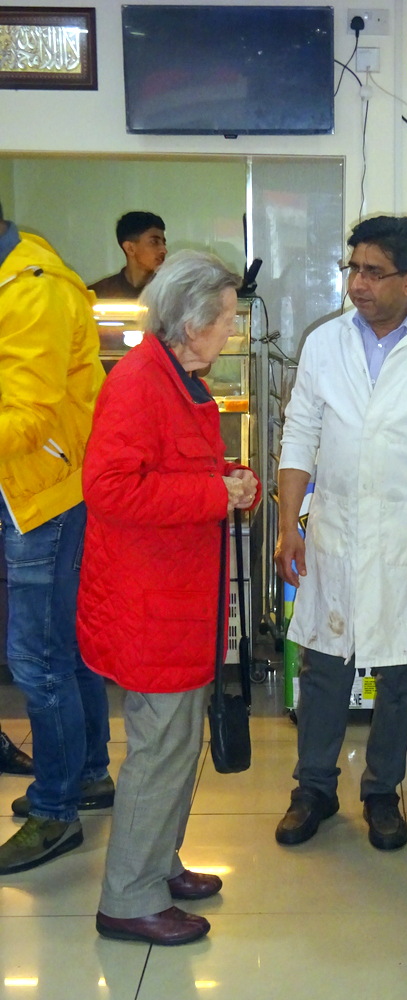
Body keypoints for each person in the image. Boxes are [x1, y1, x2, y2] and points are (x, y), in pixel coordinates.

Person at [274, 215, 407, 852]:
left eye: (373, 272)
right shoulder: (325, 343)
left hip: (405, 537)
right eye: (353, 268)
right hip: (334, 528)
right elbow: (300, 434)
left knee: (398, 673)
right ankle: (313, 789)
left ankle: (382, 792)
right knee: (324, 664)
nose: (357, 284)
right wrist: (287, 525)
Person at [77, 250, 260, 946]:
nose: (232, 329)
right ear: (192, 323)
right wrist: (215, 493)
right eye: (227, 318)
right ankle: (128, 898)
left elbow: (178, 466)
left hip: (179, 600)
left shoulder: (178, 376)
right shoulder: (138, 383)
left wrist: (230, 479)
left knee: (180, 744)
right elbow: (111, 489)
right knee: (160, 749)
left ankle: (158, 862)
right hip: (150, 605)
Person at [0, 201, 112, 875]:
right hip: (39, 487)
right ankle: (87, 773)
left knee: (38, 660)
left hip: (47, 495)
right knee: (65, 651)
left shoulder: (31, 290)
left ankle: (55, 810)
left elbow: (28, 414)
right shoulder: (17, 277)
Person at [88, 211, 167, 299]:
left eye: (164, 243)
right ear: (130, 248)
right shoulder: (98, 294)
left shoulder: (169, 291)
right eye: (154, 242)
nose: (164, 250)